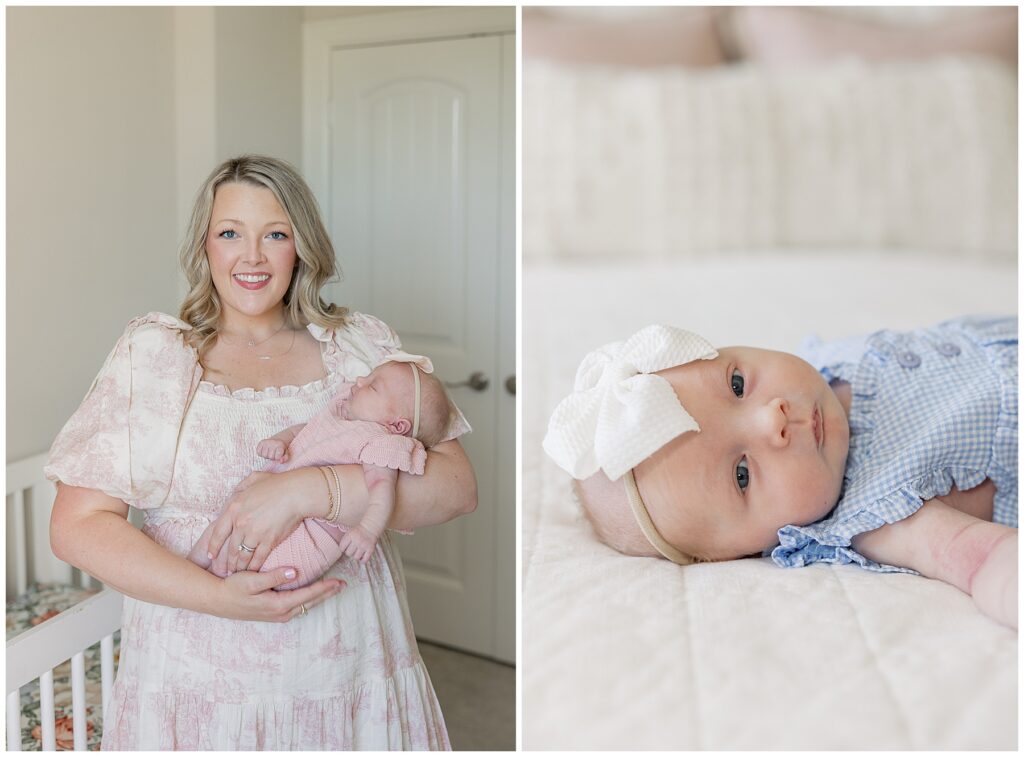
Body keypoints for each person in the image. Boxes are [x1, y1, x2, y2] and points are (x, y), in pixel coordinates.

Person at [46, 155, 476, 750]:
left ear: (301, 245)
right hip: (196, 681)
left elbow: (457, 488)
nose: (252, 257)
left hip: (349, 672)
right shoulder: (155, 356)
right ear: (206, 244)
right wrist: (218, 598)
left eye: (275, 234)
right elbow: (78, 527)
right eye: (230, 233)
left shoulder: (361, 349)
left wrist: (308, 489)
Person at [544, 320, 1017, 629]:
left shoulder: (834, 363)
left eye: (736, 384)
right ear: (756, 547)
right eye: (743, 474)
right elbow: (987, 564)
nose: (772, 419)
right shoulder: (880, 513)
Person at [188, 354, 454, 586]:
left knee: (249, 562)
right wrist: (281, 440)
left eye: (373, 386)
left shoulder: (380, 443)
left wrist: (368, 530)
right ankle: (192, 570)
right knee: (222, 531)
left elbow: (382, 490)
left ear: (397, 426)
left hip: (311, 534)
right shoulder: (343, 414)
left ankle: (218, 583)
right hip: (268, 503)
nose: (360, 380)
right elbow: (307, 431)